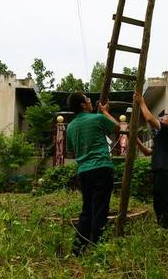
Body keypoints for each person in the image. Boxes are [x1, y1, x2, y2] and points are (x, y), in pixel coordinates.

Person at [66, 92, 120, 255]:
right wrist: (104, 111)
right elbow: (117, 127)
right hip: (102, 167)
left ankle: (78, 248)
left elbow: (70, 151)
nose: (90, 101)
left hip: (83, 171)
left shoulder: (70, 126)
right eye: (87, 99)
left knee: (87, 209)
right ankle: (98, 247)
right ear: (83, 105)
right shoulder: (97, 118)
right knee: (100, 209)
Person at [134, 91, 168, 233]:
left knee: (166, 202)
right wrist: (135, 139)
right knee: (158, 202)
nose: (160, 119)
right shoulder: (161, 138)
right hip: (160, 171)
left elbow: (149, 119)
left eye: (164, 118)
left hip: (165, 171)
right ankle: (164, 228)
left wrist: (141, 102)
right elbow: (147, 152)